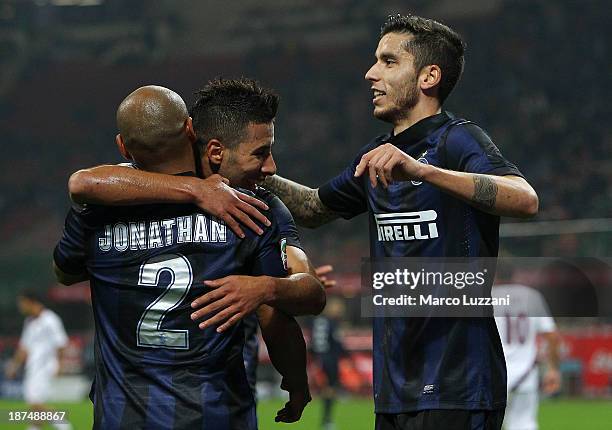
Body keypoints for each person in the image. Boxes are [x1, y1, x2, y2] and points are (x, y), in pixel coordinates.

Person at [261, 14, 539, 430]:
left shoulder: (457, 140)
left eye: (389, 62)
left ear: (428, 76)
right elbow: (315, 208)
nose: (371, 73)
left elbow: (525, 198)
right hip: (394, 387)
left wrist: (425, 171)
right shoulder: (375, 155)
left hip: (456, 384)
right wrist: (250, 173)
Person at [53, 84, 316, 429]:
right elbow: (276, 318)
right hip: (216, 414)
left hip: (122, 416)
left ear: (122, 146)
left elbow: (65, 272)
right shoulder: (250, 208)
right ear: (190, 130)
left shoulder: (96, 209)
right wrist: (296, 381)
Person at [493, 284, 561, 430]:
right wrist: (553, 369)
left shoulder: (486, 296)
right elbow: (552, 336)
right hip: (525, 374)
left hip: (495, 374)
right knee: (523, 424)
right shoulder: (532, 296)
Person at [4, 291, 72, 430]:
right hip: (33, 367)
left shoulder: (50, 320)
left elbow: (61, 343)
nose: (20, 306)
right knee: (33, 405)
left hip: (45, 367)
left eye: (22, 303)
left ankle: (64, 426)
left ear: (31, 302)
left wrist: (60, 364)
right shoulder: (29, 322)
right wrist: (14, 365)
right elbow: (24, 347)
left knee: (35, 403)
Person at [310, 296, 347, 430]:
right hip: (330, 358)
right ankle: (327, 420)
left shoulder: (317, 321)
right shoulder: (332, 323)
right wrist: (346, 355)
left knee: (326, 389)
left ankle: (326, 419)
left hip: (319, 358)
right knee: (330, 389)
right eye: (338, 308)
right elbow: (337, 342)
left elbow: (312, 342)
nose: (340, 311)